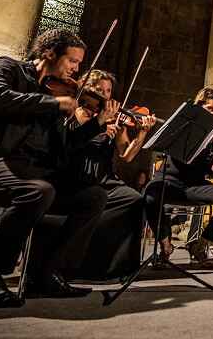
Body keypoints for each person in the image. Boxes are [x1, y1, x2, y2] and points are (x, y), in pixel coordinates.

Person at [0, 29, 110, 307]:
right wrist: (52, 103)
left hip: (29, 169)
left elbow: (64, 148)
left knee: (93, 196)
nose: (76, 70)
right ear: (49, 53)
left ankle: (44, 273)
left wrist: (96, 125)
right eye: (72, 61)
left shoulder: (56, 94)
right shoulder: (7, 68)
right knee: (37, 192)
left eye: (78, 64)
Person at [36, 69, 153, 280]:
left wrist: (143, 133)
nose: (105, 96)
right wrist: (98, 123)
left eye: (108, 91)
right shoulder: (74, 112)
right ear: (86, 89)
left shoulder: (113, 119)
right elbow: (68, 145)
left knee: (134, 199)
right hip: (76, 176)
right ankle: (75, 264)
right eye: (100, 90)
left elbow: (126, 155)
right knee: (95, 199)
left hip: (104, 177)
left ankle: (111, 268)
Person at [143, 87, 213, 267]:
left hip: (195, 186)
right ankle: (165, 245)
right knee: (150, 194)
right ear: (198, 107)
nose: (212, 112)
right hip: (170, 180)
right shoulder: (183, 127)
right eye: (208, 108)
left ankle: (201, 243)